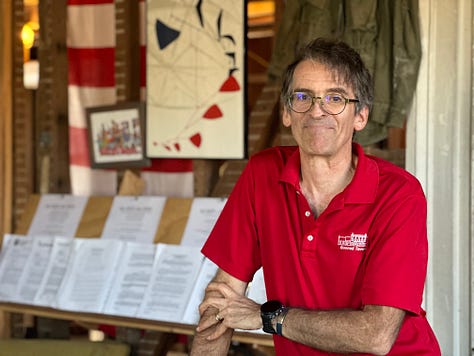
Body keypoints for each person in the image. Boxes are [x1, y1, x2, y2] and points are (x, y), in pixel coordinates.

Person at [190, 37, 441, 355]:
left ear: (360, 116)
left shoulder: (399, 195)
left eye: (335, 99)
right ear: (286, 113)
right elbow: (220, 298)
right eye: (302, 96)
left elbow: (376, 335)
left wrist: (270, 318)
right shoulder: (262, 174)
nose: (316, 110)